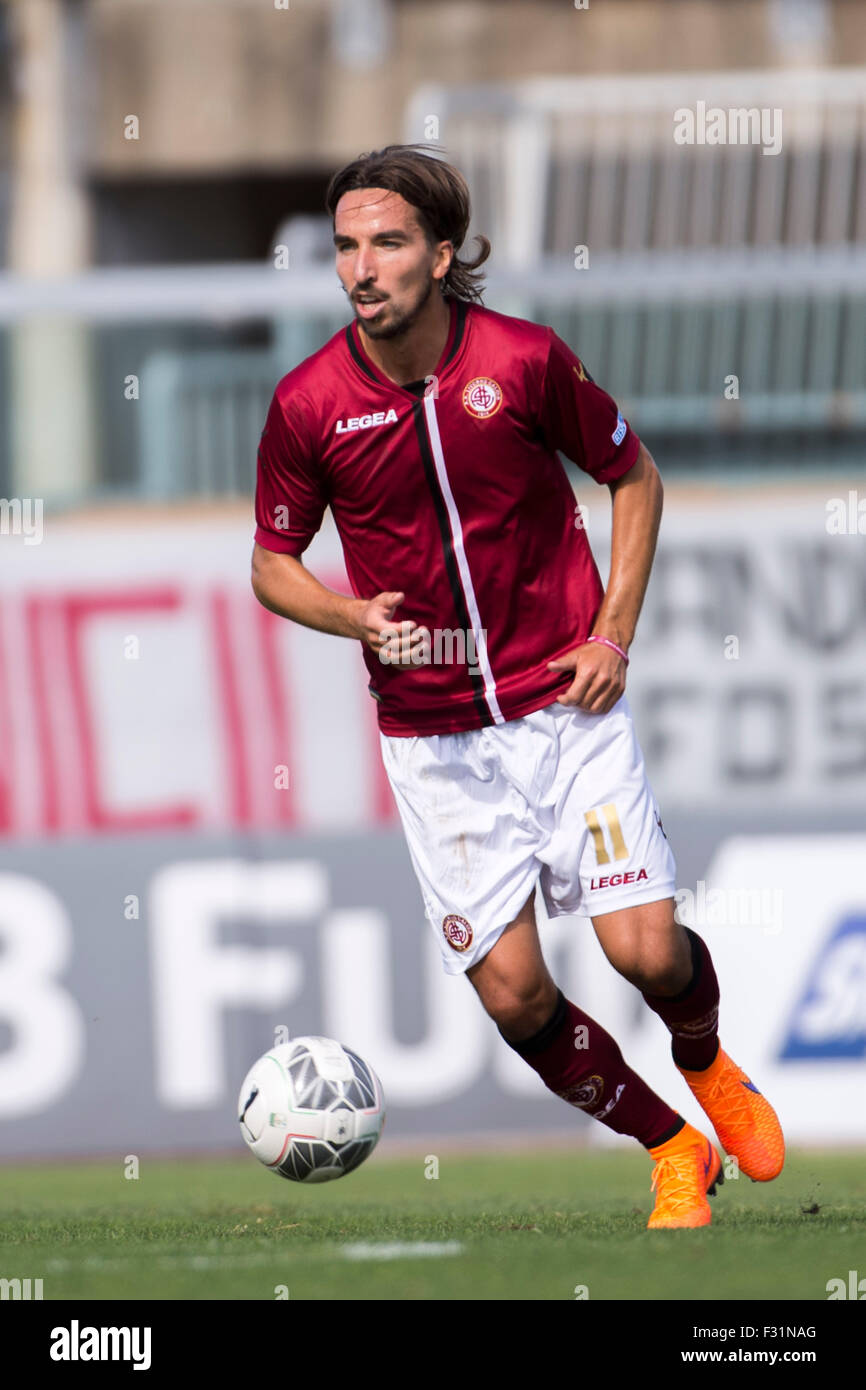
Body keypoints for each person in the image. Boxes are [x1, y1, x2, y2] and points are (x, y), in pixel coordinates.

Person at [251, 144, 784, 1228]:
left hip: (562, 706)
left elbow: (632, 474)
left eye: (388, 242)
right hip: (432, 737)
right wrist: (349, 615)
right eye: (348, 246)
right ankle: (672, 1147)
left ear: (441, 255)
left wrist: (613, 634)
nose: (362, 267)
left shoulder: (525, 360)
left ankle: (705, 1060)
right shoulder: (307, 403)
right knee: (514, 995)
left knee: (639, 948)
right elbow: (269, 563)